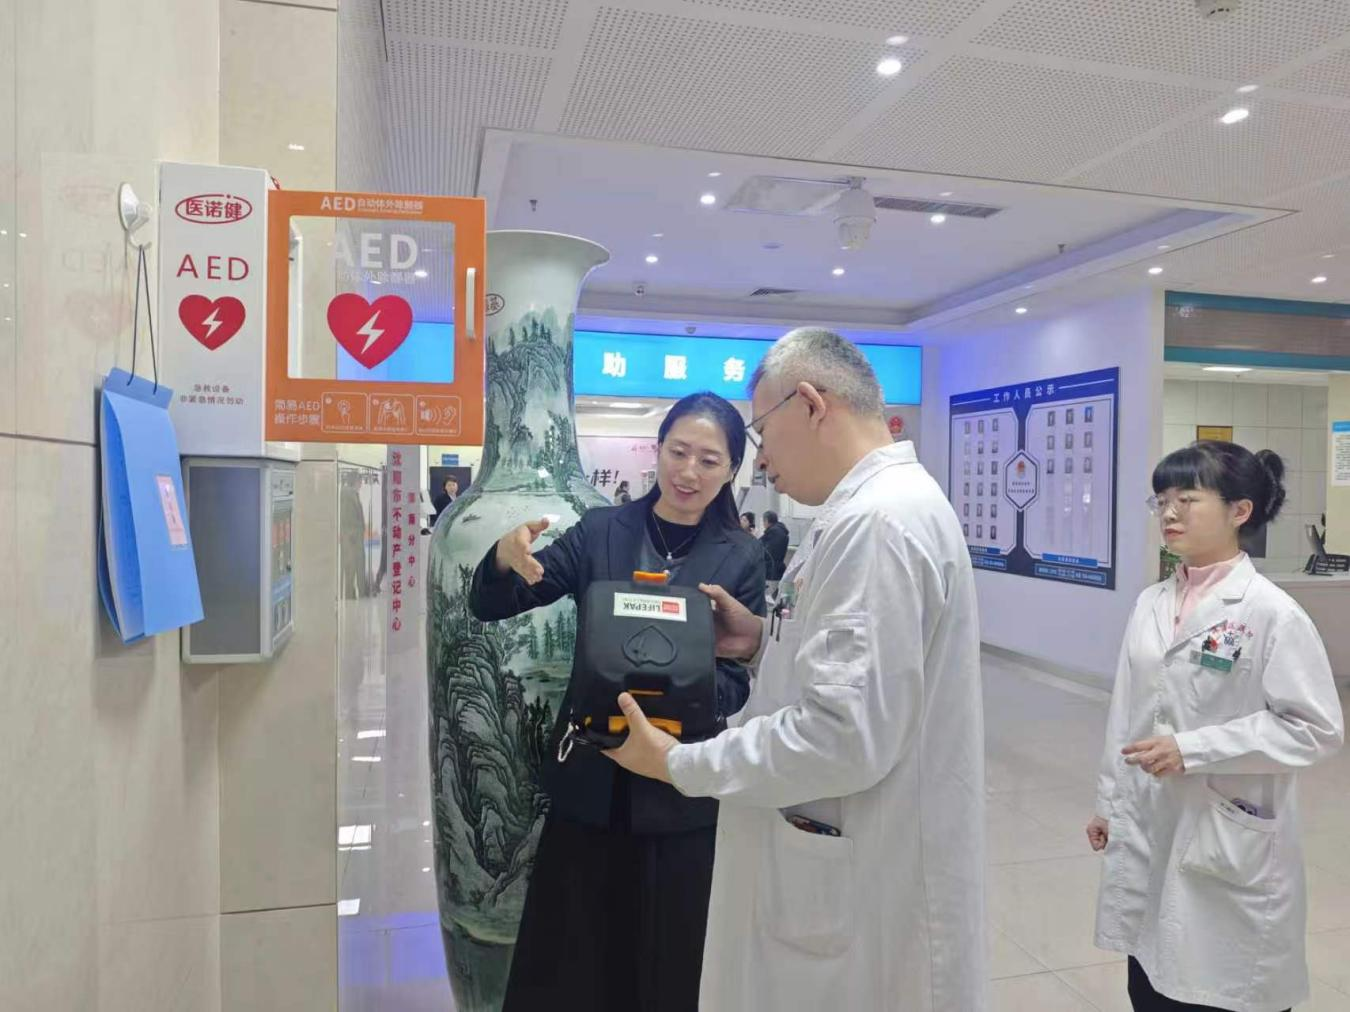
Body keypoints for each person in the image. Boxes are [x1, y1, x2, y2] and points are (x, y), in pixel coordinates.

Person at [605, 328, 986, 1011]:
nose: (761, 460)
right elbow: (864, 671)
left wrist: (679, 762)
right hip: (845, 866)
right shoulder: (872, 511)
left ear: (811, 405)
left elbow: (840, 737)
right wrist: (761, 642)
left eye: (761, 432)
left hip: (860, 892)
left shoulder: (878, 524)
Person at [468, 392, 767, 1012]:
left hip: (680, 789)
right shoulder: (602, 531)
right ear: (657, 450)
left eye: (709, 460)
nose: (688, 472)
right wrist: (502, 559)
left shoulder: (741, 556)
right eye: (678, 452)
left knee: (668, 963)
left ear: (732, 470)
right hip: (591, 777)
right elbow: (500, 600)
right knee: (572, 961)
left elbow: (736, 678)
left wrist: (682, 695)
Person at [1088, 441, 1343, 1012]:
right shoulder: (1151, 602)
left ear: (1239, 511)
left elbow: (1315, 728)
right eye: (1161, 501)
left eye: (1187, 498)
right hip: (1151, 816)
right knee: (1151, 976)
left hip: (1229, 828)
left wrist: (1194, 749)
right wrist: (1109, 803)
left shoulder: (1270, 612)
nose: (1169, 513)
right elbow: (1127, 711)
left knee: (1221, 984)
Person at [759, 508, 788, 581]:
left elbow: (764, 551)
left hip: (771, 570)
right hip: (779, 568)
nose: (763, 524)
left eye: (763, 521)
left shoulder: (772, 533)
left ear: (766, 521)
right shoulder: (782, 531)